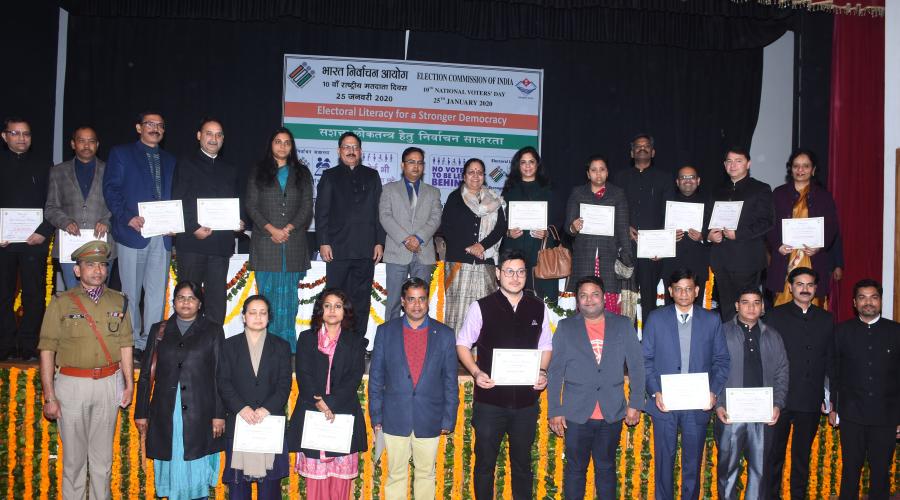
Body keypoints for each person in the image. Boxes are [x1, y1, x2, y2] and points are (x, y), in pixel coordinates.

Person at [37, 241, 134, 500]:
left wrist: (129, 384)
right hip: (71, 385)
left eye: (102, 264)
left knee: (103, 460)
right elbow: (47, 350)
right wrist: (49, 396)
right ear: (77, 270)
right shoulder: (61, 303)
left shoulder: (120, 301)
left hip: (108, 383)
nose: (97, 270)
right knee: (74, 461)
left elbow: (126, 344)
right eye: (90, 264)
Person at [456, 249, 551, 500]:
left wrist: (542, 371)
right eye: (509, 271)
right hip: (490, 402)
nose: (515, 277)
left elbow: (546, 346)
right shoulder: (481, 307)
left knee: (522, 465)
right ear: (498, 274)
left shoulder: (538, 308)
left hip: (525, 403)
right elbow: (463, 344)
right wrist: (476, 372)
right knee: (485, 464)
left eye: (520, 272)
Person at [547, 275, 645, 499]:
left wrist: (636, 403)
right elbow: (555, 372)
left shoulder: (622, 325)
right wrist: (555, 410)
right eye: (583, 295)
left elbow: (637, 366)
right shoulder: (565, 327)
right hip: (575, 414)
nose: (589, 300)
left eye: (594, 294)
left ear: (603, 297)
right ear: (577, 300)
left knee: (606, 468)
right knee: (575, 470)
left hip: (611, 412)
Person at [642, 268, 730, 500]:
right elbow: (645, 360)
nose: (683, 293)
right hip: (665, 404)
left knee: (692, 464)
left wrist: (713, 392)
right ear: (670, 291)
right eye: (678, 289)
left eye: (688, 289)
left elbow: (722, 360)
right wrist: (655, 391)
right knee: (664, 464)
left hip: (697, 404)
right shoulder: (655, 318)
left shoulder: (711, 320)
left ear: (697, 291)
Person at [134, 281, 226, 499]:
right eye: (181, 298)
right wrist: (141, 413)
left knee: (195, 464)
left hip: (200, 412)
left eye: (191, 298)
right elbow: (146, 374)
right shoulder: (160, 330)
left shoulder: (212, 330)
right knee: (172, 458)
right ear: (173, 302)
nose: (186, 302)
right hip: (166, 410)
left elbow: (219, 375)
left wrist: (219, 415)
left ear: (200, 304)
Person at [369, 278, 459, 499]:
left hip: (430, 417)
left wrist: (448, 419)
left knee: (426, 475)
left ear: (427, 301)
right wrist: (377, 418)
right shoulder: (385, 332)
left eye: (421, 299)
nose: (417, 305)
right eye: (411, 299)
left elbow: (450, 382)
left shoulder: (445, 334)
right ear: (402, 302)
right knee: (396, 474)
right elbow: (376, 379)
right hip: (394, 418)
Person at [103, 111, 177, 355]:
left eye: (160, 125)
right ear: (138, 127)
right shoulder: (121, 154)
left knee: (157, 292)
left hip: (162, 235)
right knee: (131, 292)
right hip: (132, 233)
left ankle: (151, 343)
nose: (155, 128)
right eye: (150, 124)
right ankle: (132, 342)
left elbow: (176, 196)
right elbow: (111, 190)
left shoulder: (170, 159)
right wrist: (127, 218)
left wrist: (175, 221)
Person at [288, 288, 368, 499]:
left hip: (343, 414)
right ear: (320, 310)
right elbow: (304, 376)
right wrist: (321, 404)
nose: (332, 310)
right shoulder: (306, 338)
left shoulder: (356, 342)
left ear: (345, 312)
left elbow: (354, 378)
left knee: (340, 484)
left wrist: (331, 403)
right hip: (312, 413)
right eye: (327, 305)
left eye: (338, 306)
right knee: (316, 484)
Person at [763, 267, 834, 500]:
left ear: (816, 288)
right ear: (790, 287)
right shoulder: (774, 316)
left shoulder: (826, 319)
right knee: (774, 456)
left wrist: (828, 396)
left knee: (802, 457)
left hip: (810, 399)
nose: (805, 289)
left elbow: (830, 360)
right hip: (779, 400)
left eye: (810, 285)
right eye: (800, 284)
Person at [715, 287, 789, 500]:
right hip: (730, 414)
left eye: (756, 302)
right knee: (727, 471)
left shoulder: (773, 336)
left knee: (759, 471)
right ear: (737, 306)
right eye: (745, 302)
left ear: (763, 307)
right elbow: (712, 369)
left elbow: (782, 371)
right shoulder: (721, 333)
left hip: (762, 415)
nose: (751, 307)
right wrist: (718, 404)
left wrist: (777, 404)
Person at [829, 279, 899, 500]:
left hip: (886, 416)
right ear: (854, 302)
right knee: (851, 470)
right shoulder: (841, 331)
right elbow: (835, 372)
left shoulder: (896, 331)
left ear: (880, 301)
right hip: (852, 414)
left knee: (880, 472)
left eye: (873, 297)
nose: (868, 302)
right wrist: (834, 407)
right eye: (862, 297)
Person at [245, 127, 314, 352]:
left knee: (289, 302)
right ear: (271, 145)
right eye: (278, 141)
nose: (282, 146)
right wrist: (271, 230)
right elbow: (251, 206)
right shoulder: (258, 171)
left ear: (292, 147)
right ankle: (263, 348)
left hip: (293, 247)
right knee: (266, 301)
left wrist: (289, 228)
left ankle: (287, 350)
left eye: (287, 142)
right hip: (266, 246)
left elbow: (306, 207)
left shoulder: (302, 173)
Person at [217, 295, 292, 500]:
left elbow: (284, 385)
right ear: (243, 316)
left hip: (269, 423)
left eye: (263, 313)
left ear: (269, 317)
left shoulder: (281, 346)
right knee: (239, 488)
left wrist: (266, 409)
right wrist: (242, 408)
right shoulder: (228, 345)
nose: (258, 317)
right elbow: (223, 382)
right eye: (252, 312)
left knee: (269, 489)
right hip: (240, 421)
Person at [172, 118, 244, 324]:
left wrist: (238, 222)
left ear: (223, 139)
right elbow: (179, 200)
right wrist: (193, 227)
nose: (214, 139)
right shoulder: (186, 163)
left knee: (216, 300)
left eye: (219, 134)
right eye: (209, 134)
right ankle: (185, 347)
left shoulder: (229, 168)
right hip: (192, 243)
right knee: (188, 298)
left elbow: (236, 201)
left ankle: (213, 347)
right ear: (199, 136)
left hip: (220, 246)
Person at [316, 131, 385, 337]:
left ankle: (357, 343)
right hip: (337, 249)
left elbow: (378, 212)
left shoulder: (372, 176)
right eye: (347, 147)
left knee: (361, 300)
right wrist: (323, 242)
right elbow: (321, 212)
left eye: (355, 147)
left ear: (361, 151)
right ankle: (333, 340)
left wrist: (379, 242)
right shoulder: (330, 176)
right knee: (335, 300)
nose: (351, 151)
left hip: (365, 249)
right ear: (339, 151)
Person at [0, 117, 54, 360]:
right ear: (4, 136)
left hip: (35, 241)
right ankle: (5, 345)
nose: (22, 138)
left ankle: (31, 345)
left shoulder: (44, 165)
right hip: (3, 243)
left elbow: (53, 203)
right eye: (15, 133)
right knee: (3, 294)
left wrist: (44, 231)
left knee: (34, 295)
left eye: (26, 134)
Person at [439, 158, 507, 334]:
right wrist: (470, 248)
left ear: (484, 176)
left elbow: (500, 227)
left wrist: (482, 246)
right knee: (458, 312)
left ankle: (482, 356)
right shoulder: (455, 197)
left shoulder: (494, 199)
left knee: (485, 312)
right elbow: (447, 227)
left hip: (486, 262)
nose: (475, 176)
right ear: (464, 176)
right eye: (471, 172)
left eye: (479, 172)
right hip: (459, 262)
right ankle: (456, 356)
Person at [706, 147, 773, 321]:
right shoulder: (717, 190)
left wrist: (739, 234)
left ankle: (748, 344)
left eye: (739, 161)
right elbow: (707, 220)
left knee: (747, 309)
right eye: (729, 161)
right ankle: (729, 345)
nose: (733, 165)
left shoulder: (760, 189)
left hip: (747, 260)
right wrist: (710, 235)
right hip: (721, 259)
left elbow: (767, 221)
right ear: (724, 165)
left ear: (748, 164)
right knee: (727, 309)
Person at [766, 149, 839, 307]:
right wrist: (777, 245)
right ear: (790, 169)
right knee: (782, 308)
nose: (800, 170)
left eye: (805, 166)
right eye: (796, 166)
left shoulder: (824, 196)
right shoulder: (778, 194)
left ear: (813, 170)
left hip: (813, 257)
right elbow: (768, 224)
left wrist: (819, 246)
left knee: (814, 307)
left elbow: (832, 227)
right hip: (785, 258)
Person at [45, 126, 114, 290]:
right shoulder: (58, 172)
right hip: (70, 245)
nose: (86, 145)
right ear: (73, 144)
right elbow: (50, 207)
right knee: (73, 299)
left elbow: (119, 204)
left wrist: (107, 220)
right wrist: (65, 221)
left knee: (100, 297)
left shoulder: (111, 170)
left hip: (102, 244)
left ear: (97, 145)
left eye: (91, 141)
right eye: (81, 141)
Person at [614, 134, 674, 323]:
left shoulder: (665, 179)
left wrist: (662, 247)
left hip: (652, 251)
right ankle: (627, 345)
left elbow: (669, 215)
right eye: (638, 146)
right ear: (632, 153)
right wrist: (624, 228)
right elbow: (612, 209)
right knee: (626, 300)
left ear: (653, 152)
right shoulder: (619, 177)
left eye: (646, 146)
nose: (642, 148)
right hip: (626, 247)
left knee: (650, 300)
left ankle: (649, 346)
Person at [379, 147, 442, 321]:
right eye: (411, 162)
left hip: (423, 252)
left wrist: (419, 238)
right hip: (397, 252)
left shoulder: (433, 192)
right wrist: (406, 239)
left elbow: (436, 218)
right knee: (393, 302)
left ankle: (420, 344)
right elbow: (385, 216)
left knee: (420, 304)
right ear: (402, 165)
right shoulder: (389, 189)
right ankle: (390, 344)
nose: (416, 166)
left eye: (420, 163)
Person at [565, 155, 633, 313]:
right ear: (588, 174)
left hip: (609, 256)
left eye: (602, 169)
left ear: (607, 172)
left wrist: (627, 257)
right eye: (594, 170)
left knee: (608, 304)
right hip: (584, 255)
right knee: (585, 300)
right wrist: (573, 227)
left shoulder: (618, 194)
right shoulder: (578, 193)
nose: (598, 174)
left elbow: (623, 229)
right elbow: (568, 228)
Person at [500, 146, 559, 299]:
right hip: (514, 246)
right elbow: (500, 221)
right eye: (523, 162)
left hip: (540, 249)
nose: (527, 166)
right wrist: (507, 232)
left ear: (537, 165)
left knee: (540, 297)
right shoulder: (509, 190)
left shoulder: (548, 190)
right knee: (512, 294)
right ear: (518, 165)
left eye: (531, 162)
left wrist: (547, 232)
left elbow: (557, 220)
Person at [661, 166, 710, 303]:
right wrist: (668, 237)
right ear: (677, 182)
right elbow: (657, 230)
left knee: (699, 306)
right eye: (683, 177)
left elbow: (716, 232)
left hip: (699, 262)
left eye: (691, 177)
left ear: (698, 181)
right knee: (669, 305)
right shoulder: (665, 204)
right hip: (671, 263)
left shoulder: (710, 203)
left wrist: (702, 237)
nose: (687, 181)